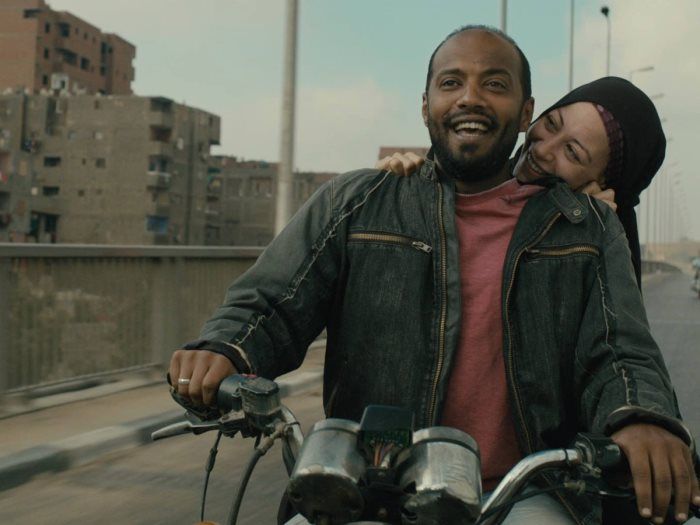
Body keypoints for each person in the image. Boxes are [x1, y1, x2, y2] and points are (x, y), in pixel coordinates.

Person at [168, 25, 699, 524]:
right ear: (426, 106)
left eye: (495, 85)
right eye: (451, 83)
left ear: (523, 111)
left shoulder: (589, 230)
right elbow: (273, 301)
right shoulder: (360, 201)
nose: (471, 98)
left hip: (524, 494)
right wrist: (225, 349)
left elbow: (620, 349)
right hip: (371, 486)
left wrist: (641, 417)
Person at [378, 76, 661, 290]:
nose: (543, 149)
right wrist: (387, 188)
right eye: (551, 123)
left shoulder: (598, 258)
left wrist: (592, 238)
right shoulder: (464, 185)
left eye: (572, 152)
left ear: (603, 184)